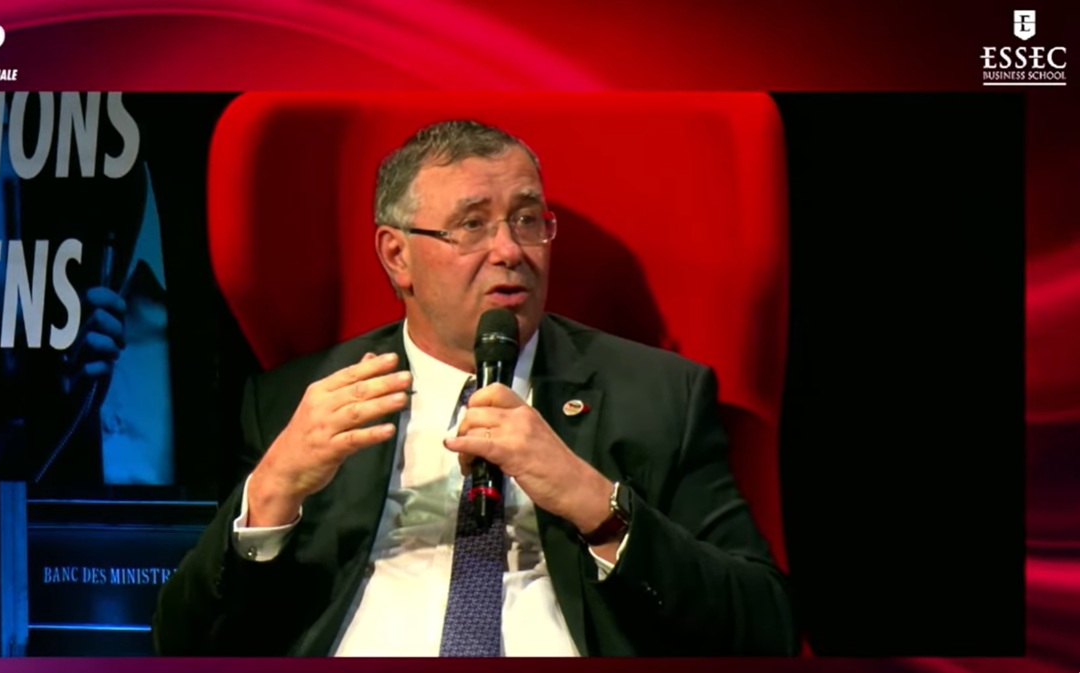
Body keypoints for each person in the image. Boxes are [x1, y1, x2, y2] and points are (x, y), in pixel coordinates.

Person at [152, 120, 798, 656]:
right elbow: (183, 641)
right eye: (471, 225)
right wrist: (271, 492)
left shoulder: (657, 394)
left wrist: (596, 504)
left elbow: (765, 625)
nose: (510, 250)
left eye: (527, 220)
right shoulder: (304, 399)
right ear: (397, 255)